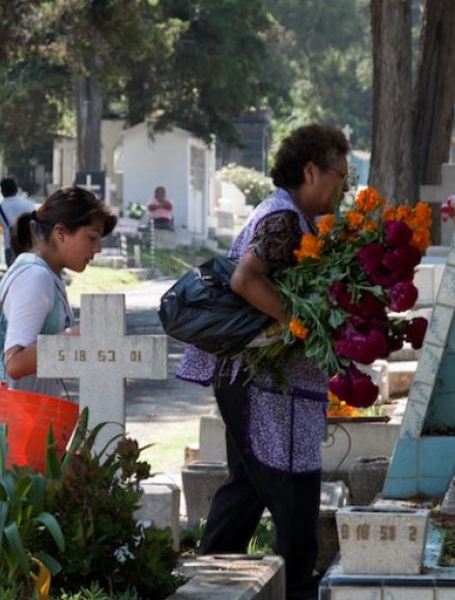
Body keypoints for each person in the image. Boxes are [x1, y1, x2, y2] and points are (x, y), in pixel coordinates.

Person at [176, 124, 349, 600]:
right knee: (289, 482)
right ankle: (295, 586)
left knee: (249, 487)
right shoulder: (284, 219)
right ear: (311, 170)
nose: (342, 188)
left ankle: (207, 579)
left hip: (257, 380)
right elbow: (246, 280)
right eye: (339, 176)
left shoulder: (289, 215)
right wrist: (303, 324)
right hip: (259, 382)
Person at [0, 187, 117, 444]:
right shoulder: (35, 277)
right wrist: (77, 336)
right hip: (4, 443)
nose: (98, 248)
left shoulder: (44, 274)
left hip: (14, 432)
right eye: (91, 238)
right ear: (61, 233)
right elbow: (14, 363)